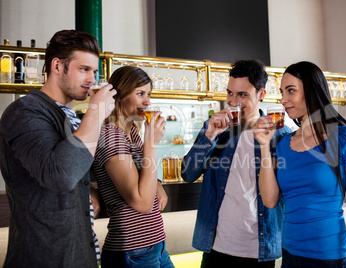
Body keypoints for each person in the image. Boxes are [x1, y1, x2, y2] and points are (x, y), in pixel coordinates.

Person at [0, 29, 116, 267]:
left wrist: (89, 189)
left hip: (81, 253)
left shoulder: (73, 117)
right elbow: (61, 175)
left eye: (94, 71)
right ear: (56, 66)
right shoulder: (25, 111)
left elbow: (83, 171)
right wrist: (96, 112)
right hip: (44, 257)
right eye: (84, 69)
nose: (92, 79)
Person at [256, 61, 346, 267]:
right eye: (282, 92)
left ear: (311, 90)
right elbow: (270, 200)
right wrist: (264, 146)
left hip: (331, 257)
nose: (283, 99)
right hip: (290, 256)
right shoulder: (283, 143)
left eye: (291, 91)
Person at [181, 59, 292, 267]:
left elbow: (285, 194)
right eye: (230, 93)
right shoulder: (215, 128)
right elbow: (188, 173)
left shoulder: (280, 135)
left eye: (243, 95)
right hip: (216, 248)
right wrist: (210, 134)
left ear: (261, 95)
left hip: (259, 250)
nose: (233, 102)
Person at [92, 65, 174, 268]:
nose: (147, 102)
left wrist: (157, 183)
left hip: (155, 245)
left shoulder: (133, 132)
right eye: (140, 94)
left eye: (148, 94)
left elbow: (142, 173)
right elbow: (142, 203)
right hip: (133, 252)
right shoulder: (110, 136)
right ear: (119, 95)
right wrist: (151, 144)